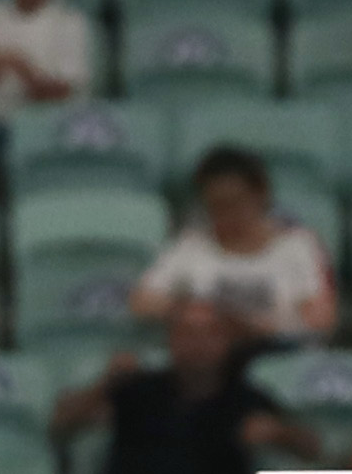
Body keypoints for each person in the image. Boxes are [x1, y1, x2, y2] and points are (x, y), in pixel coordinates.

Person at [53, 299, 319, 474]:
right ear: (170, 339)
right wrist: (104, 384)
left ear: (228, 342)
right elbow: (61, 423)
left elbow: (313, 448)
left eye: (210, 334)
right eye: (187, 333)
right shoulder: (136, 388)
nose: (198, 344)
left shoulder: (245, 398)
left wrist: (278, 434)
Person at [131, 146, 338, 343]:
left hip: (276, 350)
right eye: (216, 206)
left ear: (261, 195)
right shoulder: (191, 246)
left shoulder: (299, 246)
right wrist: (200, 314)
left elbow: (321, 320)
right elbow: (142, 302)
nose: (227, 216)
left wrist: (255, 325)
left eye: (236, 203)